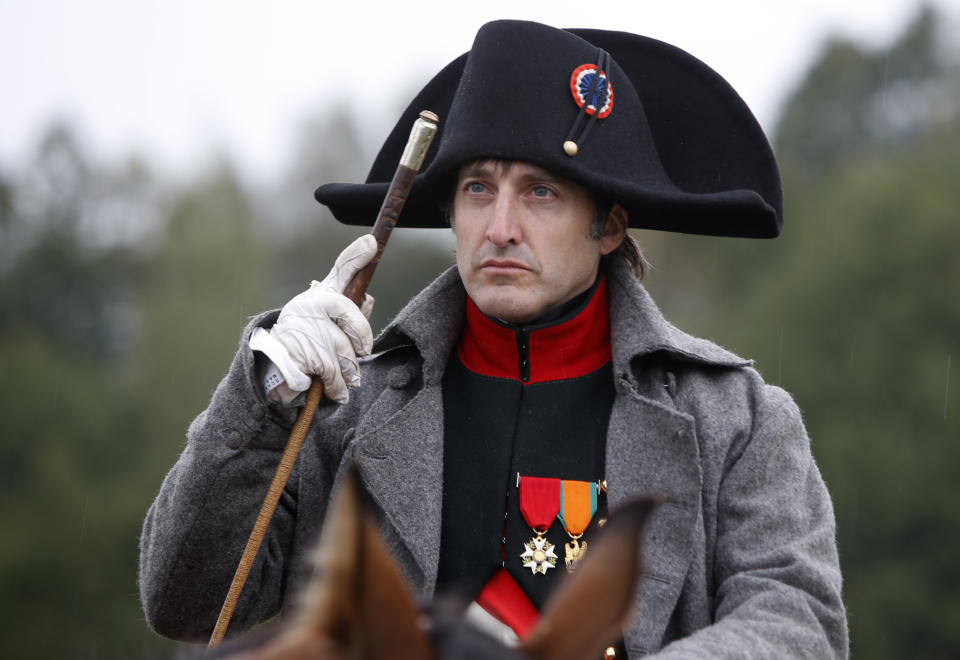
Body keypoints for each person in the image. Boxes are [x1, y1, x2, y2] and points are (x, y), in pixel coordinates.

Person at [139, 20, 848, 657]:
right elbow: (185, 602)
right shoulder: (343, 405)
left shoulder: (739, 420)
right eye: (478, 188)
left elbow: (799, 625)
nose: (500, 225)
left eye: (541, 192)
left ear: (610, 225)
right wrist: (262, 392)